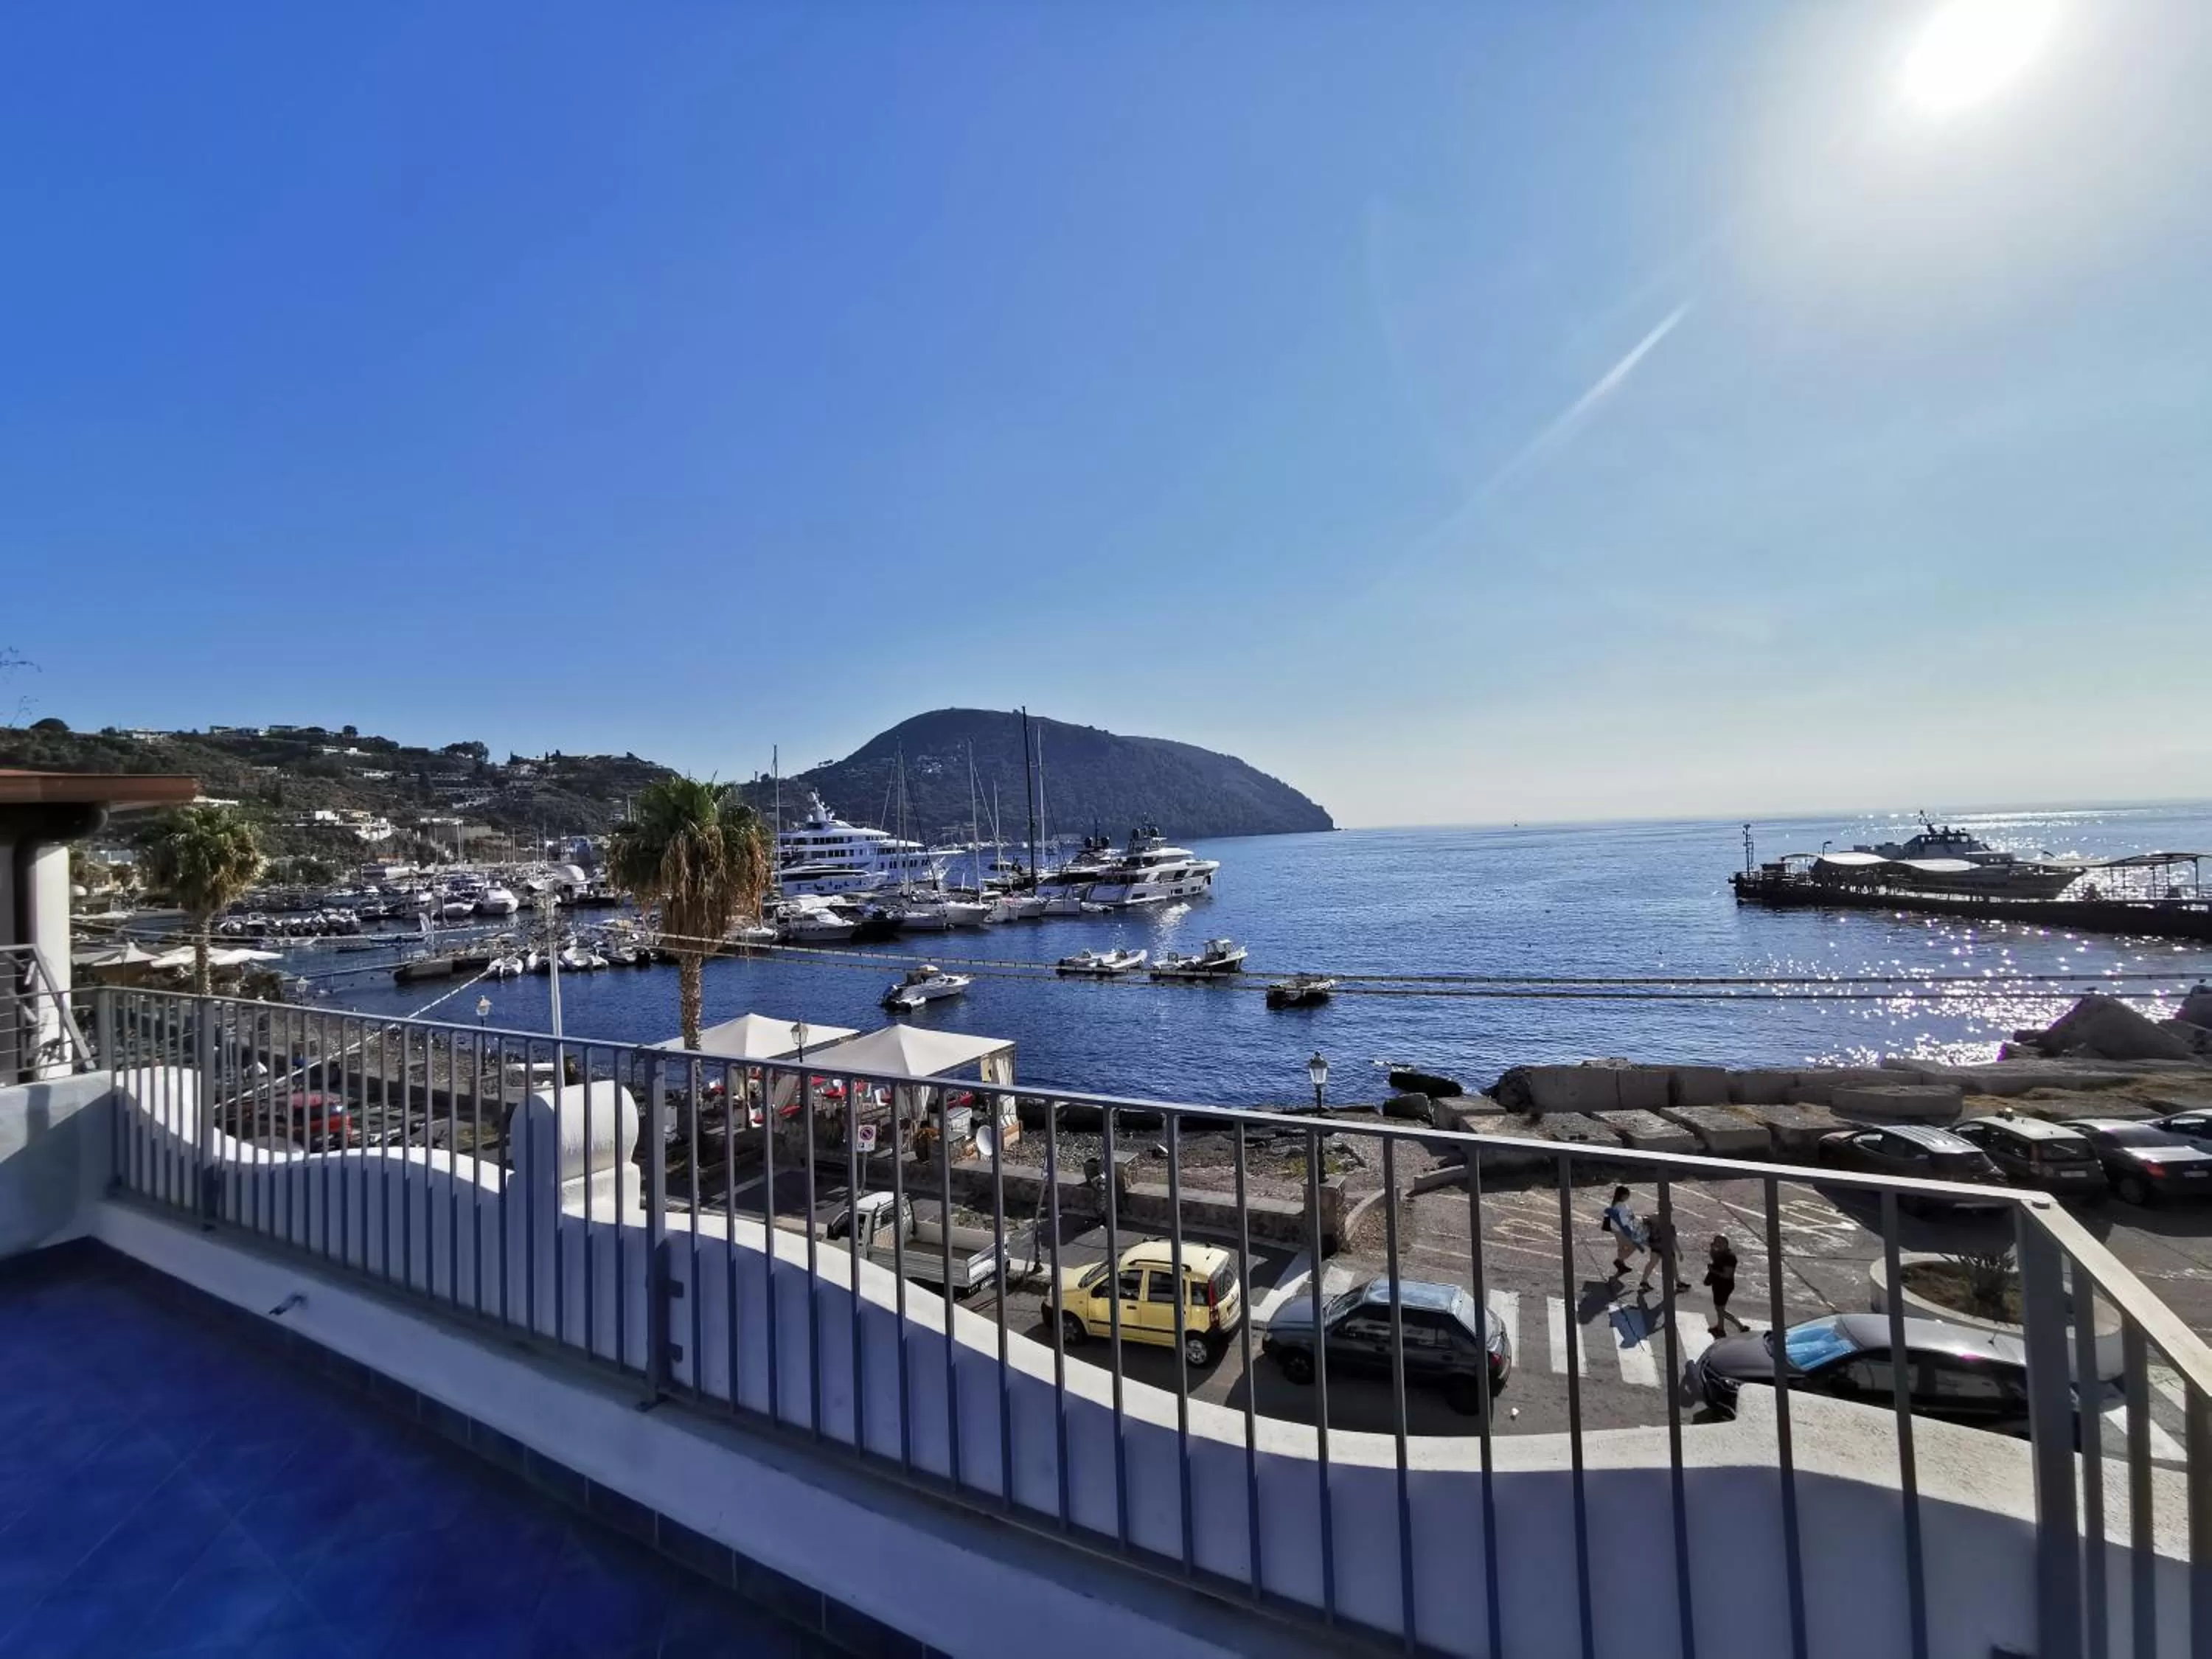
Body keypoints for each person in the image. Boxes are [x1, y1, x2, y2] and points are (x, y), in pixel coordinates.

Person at [1641, 1207, 1688, 1295]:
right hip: (1666, 1248)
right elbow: (1673, 1240)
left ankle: (1644, 1281)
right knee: (1673, 1265)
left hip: (1654, 1245)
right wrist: (1679, 1252)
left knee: (1652, 1263)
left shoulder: (1653, 1218)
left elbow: (1644, 1220)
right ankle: (1679, 1283)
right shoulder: (1669, 1225)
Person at [1600, 1185, 1644, 1280]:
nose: (1628, 1196)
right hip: (1622, 1231)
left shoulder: (1615, 1204)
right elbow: (1624, 1221)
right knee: (1634, 1245)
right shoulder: (1622, 1206)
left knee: (1622, 1247)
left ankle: (1621, 1266)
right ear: (1623, 1195)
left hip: (1616, 1230)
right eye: (1628, 1195)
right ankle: (1619, 1261)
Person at [1705, 1235, 1745, 1336]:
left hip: (1725, 1286)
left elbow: (1727, 1275)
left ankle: (1738, 1326)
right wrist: (1712, 1249)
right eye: (1715, 1242)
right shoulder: (1719, 1253)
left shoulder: (1730, 1257)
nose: (1717, 1244)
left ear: (1726, 1244)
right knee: (1719, 1309)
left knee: (1721, 1309)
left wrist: (1712, 1270)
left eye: (1719, 1243)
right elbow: (1713, 1257)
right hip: (1717, 1284)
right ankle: (1720, 1328)